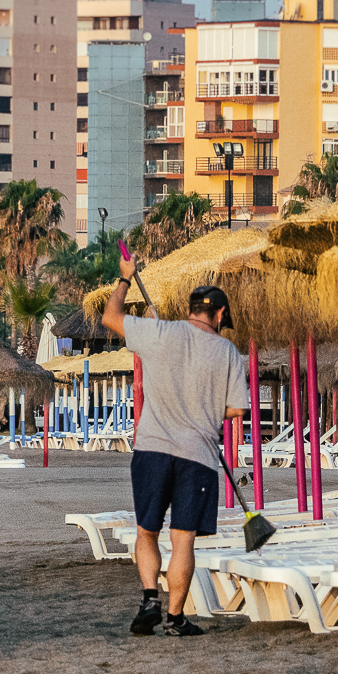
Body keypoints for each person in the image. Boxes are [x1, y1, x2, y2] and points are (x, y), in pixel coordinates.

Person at [101, 254, 248, 636]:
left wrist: (124, 279)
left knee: (146, 531)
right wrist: (207, 404)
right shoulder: (229, 353)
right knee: (183, 541)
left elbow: (110, 317)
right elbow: (234, 410)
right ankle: (175, 618)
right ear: (219, 314)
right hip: (197, 456)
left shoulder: (160, 332)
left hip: (151, 448)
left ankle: (149, 597)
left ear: (190, 310)